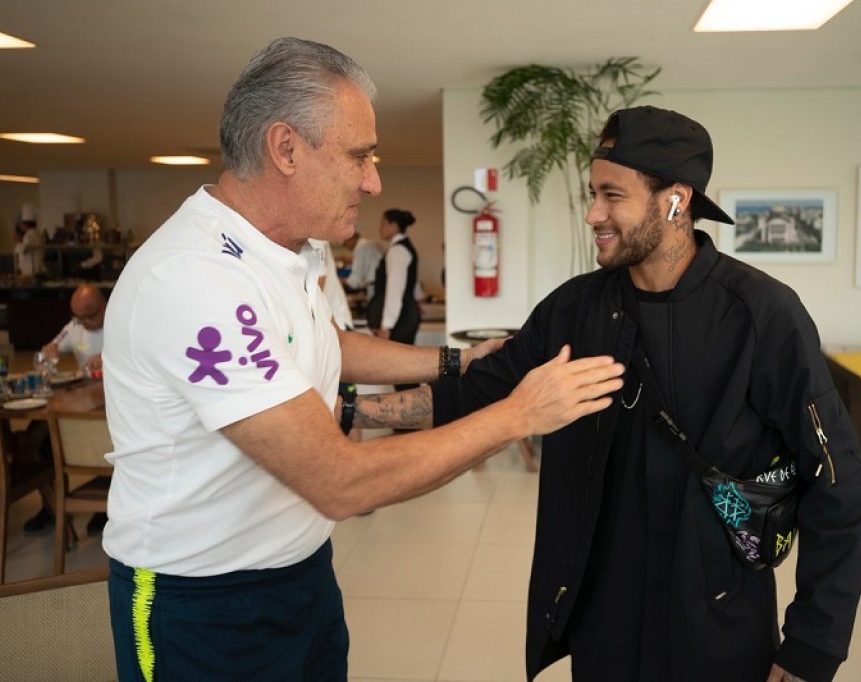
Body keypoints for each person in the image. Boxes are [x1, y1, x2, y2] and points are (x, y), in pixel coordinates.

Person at [101, 37, 623, 682]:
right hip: (203, 599)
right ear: (285, 148)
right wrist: (519, 415)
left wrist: (455, 361)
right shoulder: (195, 280)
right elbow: (341, 481)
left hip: (302, 568)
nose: (374, 181)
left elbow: (324, 343)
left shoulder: (293, 250)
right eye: (359, 156)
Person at [356, 106, 861, 681]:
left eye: (611, 195)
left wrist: (811, 649)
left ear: (676, 200)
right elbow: (476, 396)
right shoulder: (574, 309)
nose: (592, 214)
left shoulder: (761, 315)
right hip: (603, 619)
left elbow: (837, 483)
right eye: (591, 193)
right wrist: (353, 409)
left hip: (717, 621)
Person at [22, 284, 109, 536]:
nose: (83, 322)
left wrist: (110, 355)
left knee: (103, 445)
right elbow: (47, 352)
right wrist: (48, 353)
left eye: (89, 315)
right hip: (81, 403)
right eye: (77, 316)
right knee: (36, 439)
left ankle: (105, 508)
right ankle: (50, 506)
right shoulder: (75, 327)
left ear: (104, 307)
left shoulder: (121, 323)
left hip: (111, 406)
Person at [366, 208, 420, 391]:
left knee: (403, 373)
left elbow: (394, 290)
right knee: (405, 372)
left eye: (383, 224)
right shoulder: (405, 247)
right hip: (405, 316)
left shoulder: (397, 251)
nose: (379, 228)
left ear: (393, 226)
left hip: (400, 320)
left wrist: (386, 326)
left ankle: (415, 417)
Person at [340, 229, 383, 297]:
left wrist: (341, 281)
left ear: (351, 238)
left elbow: (355, 280)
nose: (346, 247)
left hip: (375, 287)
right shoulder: (366, 244)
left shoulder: (361, 248)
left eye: (345, 244)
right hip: (377, 285)